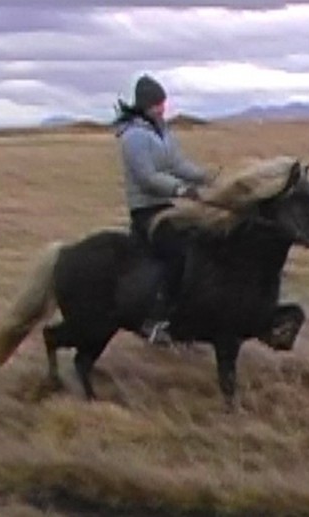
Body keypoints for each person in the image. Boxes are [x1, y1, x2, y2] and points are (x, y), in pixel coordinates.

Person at [114, 74, 209, 343]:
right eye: (157, 104)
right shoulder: (133, 137)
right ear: (144, 105)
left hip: (165, 206)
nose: (161, 108)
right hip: (145, 212)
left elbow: (178, 164)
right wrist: (180, 189)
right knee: (178, 252)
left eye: (162, 103)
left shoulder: (162, 132)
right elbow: (147, 177)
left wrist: (206, 177)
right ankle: (157, 316)